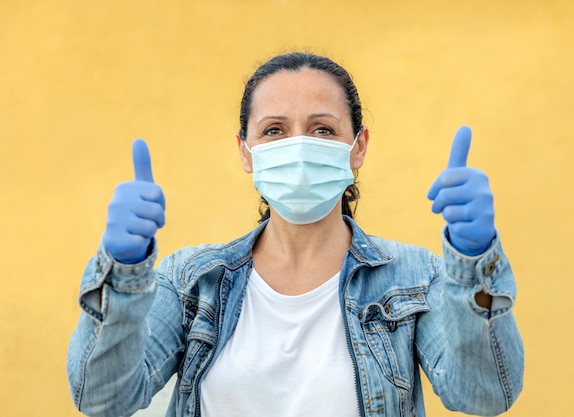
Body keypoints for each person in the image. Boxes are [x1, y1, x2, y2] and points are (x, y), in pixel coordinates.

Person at [67, 52, 523, 417]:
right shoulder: (190, 281)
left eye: (322, 129)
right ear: (245, 152)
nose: (299, 146)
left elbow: (484, 396)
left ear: (357, 146)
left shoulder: (415, 277)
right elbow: (103, 399)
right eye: (274, 131)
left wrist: (473, 262)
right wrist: (124, 271)